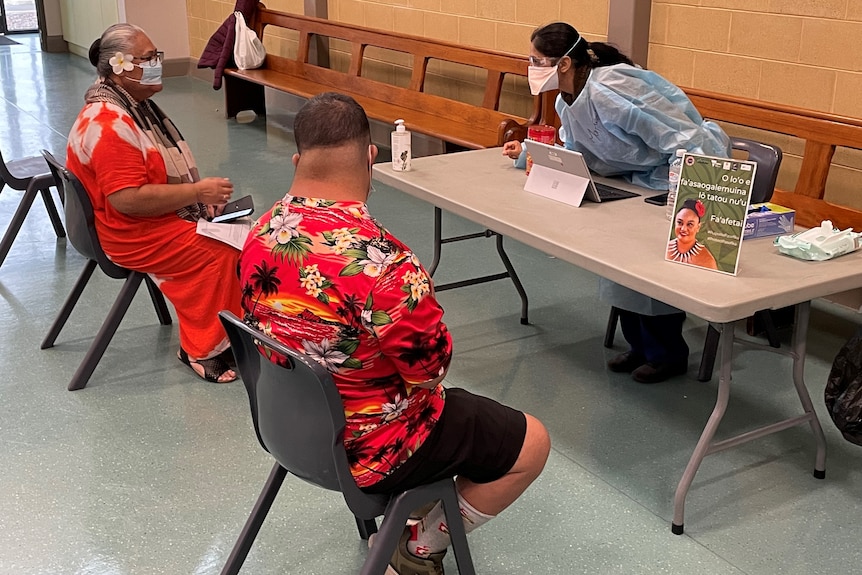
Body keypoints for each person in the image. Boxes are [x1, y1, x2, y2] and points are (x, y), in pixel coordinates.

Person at [238, 92, 550, 575]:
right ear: (371, 157)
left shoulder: (259, 234)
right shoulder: (383, 263)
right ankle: (419, 547)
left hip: (287, 427)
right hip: (373, 446)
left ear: (297, 159)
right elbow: (429, 373)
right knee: (532, 443)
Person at [503, 22, 731, 384]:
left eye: (537, 60)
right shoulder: (568, 100)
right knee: (619, 265)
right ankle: (641, 347)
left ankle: (667, 354)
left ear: (563, 64)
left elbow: (685, 138)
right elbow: (579, 153)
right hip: (633, 186)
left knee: (649, 267)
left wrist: (681, 196)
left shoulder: (612, 90)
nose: (532, 67)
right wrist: (527, 152)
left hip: (669, 182)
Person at [66, 24, 242, 383]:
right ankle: (200, 348)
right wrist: (196, 194)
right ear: (119, 66)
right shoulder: (109, 124)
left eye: (156, 56)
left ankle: (223, 334)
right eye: (148, 59)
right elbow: (129, 200)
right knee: (224, 252)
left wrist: (197, 200)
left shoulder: (126, 107)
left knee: (236, 233)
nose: (157, 64)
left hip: (136, 223)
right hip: (130, 234)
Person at [667, 198, 718, 269]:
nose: (683, 229)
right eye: (680, 223)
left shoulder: (707, 260)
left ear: (698, 227)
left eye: (690, 224)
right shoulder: (666, 249)